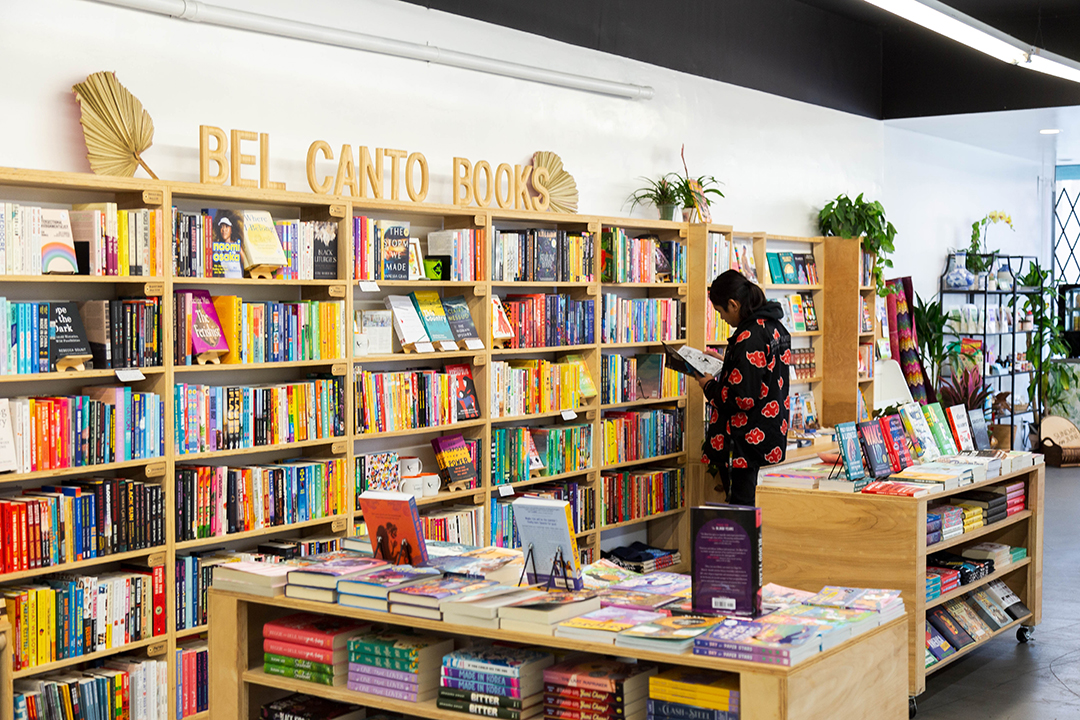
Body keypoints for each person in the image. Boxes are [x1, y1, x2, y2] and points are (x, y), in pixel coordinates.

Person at [698, 270, 792, 506]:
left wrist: (708, 385)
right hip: (766, 431)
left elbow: (742, 398)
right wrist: (726, 363)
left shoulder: (748, 336)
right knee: (747, 502)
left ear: (733, 304)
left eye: (721, 312)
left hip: (743, 440)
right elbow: (762, 374)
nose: (722, 319)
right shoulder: (773, 326)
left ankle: (748, 545)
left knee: (740, 507)